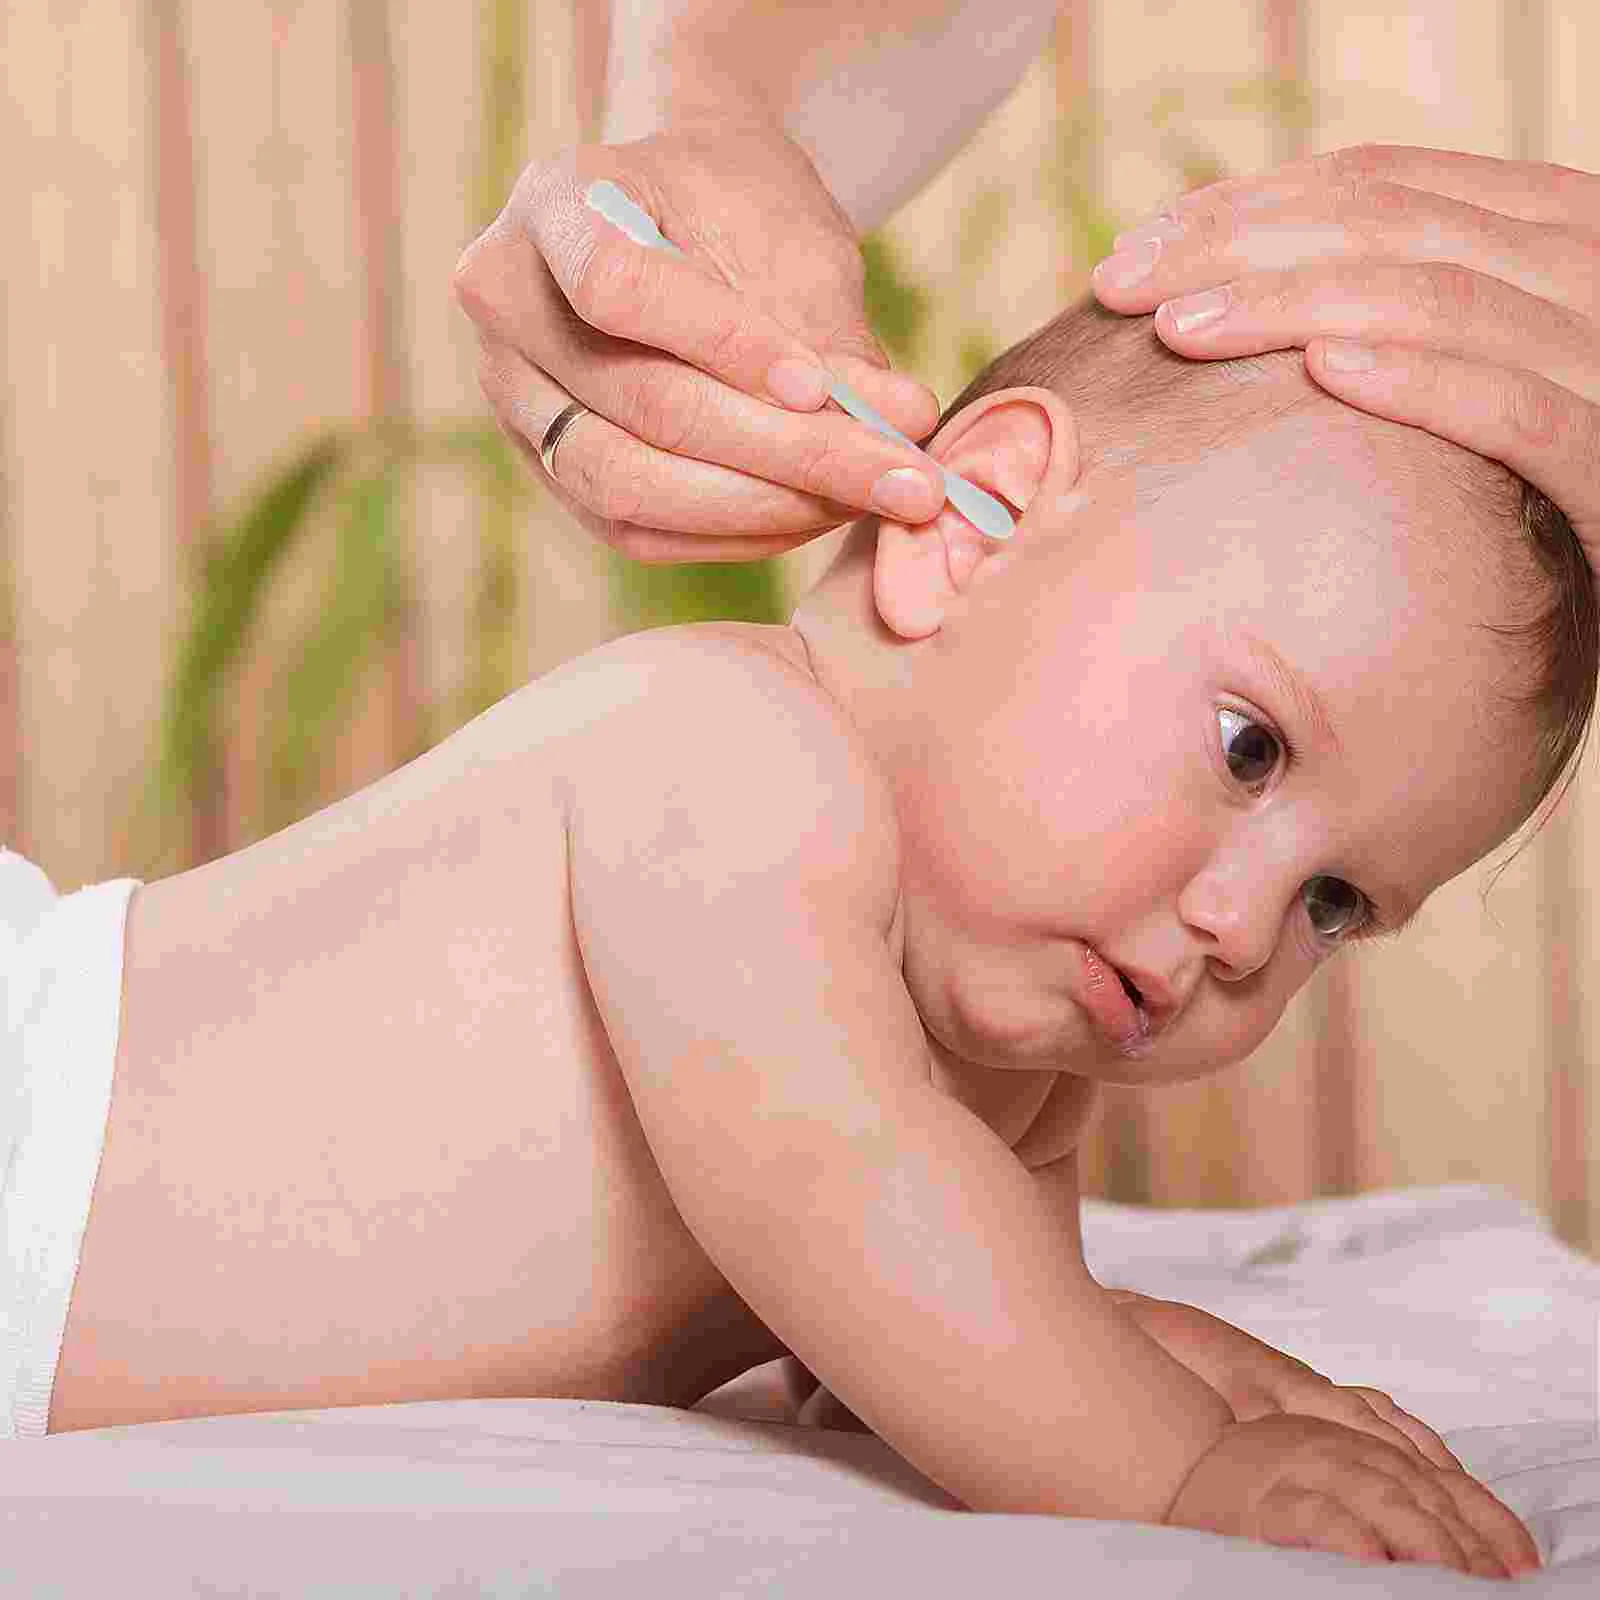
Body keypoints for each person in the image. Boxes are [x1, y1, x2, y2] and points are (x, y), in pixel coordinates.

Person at [8, 268, 1569, 1579]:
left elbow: (910, 1337)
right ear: (979, 520)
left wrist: (1164, 1369)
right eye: (1249, 748)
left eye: (1336, 902)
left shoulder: (1001, 1061)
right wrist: (1178, 1478)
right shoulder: (731, 760)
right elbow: (830, 1191)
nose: (1245, 933)